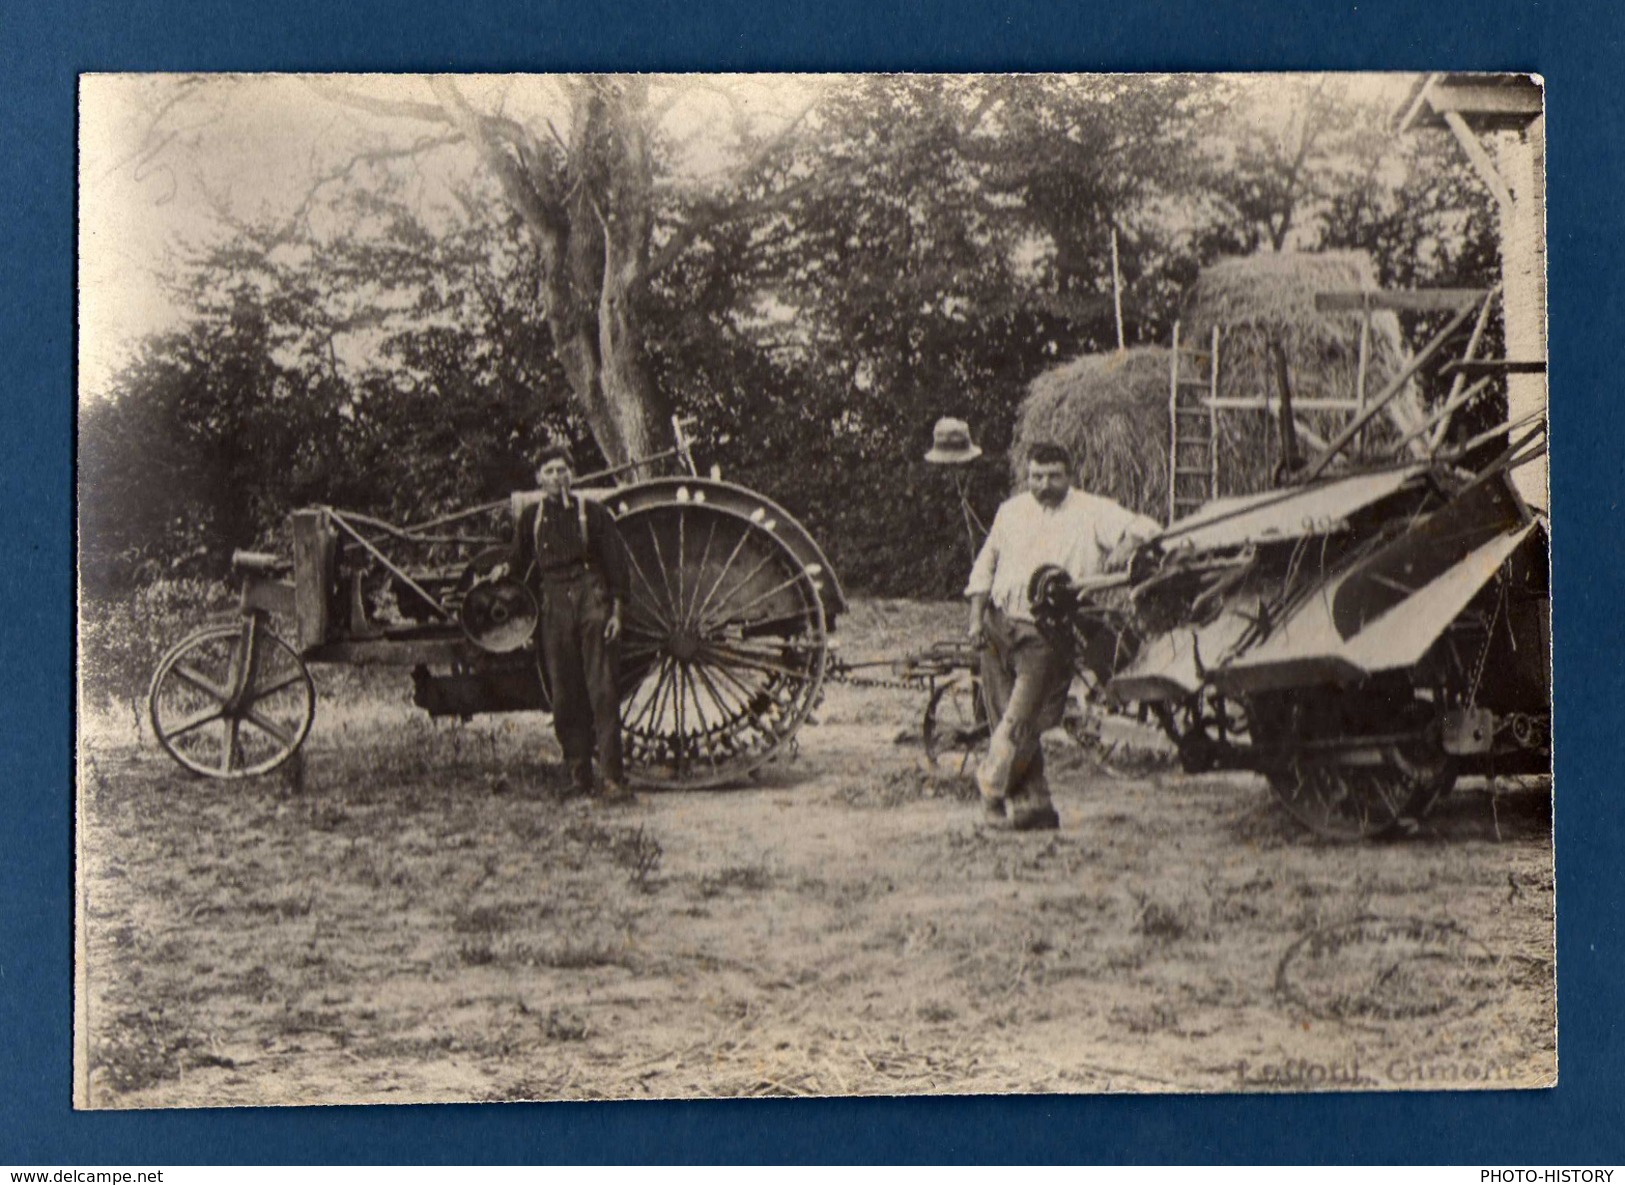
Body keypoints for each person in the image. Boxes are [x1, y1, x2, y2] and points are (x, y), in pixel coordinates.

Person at [964, 441, 1161, 831]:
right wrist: (975, 620)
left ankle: (989, 795)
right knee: (1009, 719)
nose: (1044, 484)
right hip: (998, 627)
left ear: (1068, 476)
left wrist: (1124, 547)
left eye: (1053, 476)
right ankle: (1035, 806)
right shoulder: (1011, 511)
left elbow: (1147, 527)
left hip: (1047, 635)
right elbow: (985, 565)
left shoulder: (1092, 510)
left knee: (1016, 724)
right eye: (1037, 476)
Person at [511, 443, 633, 803]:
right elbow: (517, 567)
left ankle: (612, 778)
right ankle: (578, 772)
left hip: (590, 601)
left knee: (603, 690)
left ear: (572, 474)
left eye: (562, 470)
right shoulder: (531, 518)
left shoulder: (591, 513)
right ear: (538, 479)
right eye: (548, 472)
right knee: (564, 694)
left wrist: (616, 612)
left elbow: (616, 566)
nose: (556, 477)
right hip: (553, 606)